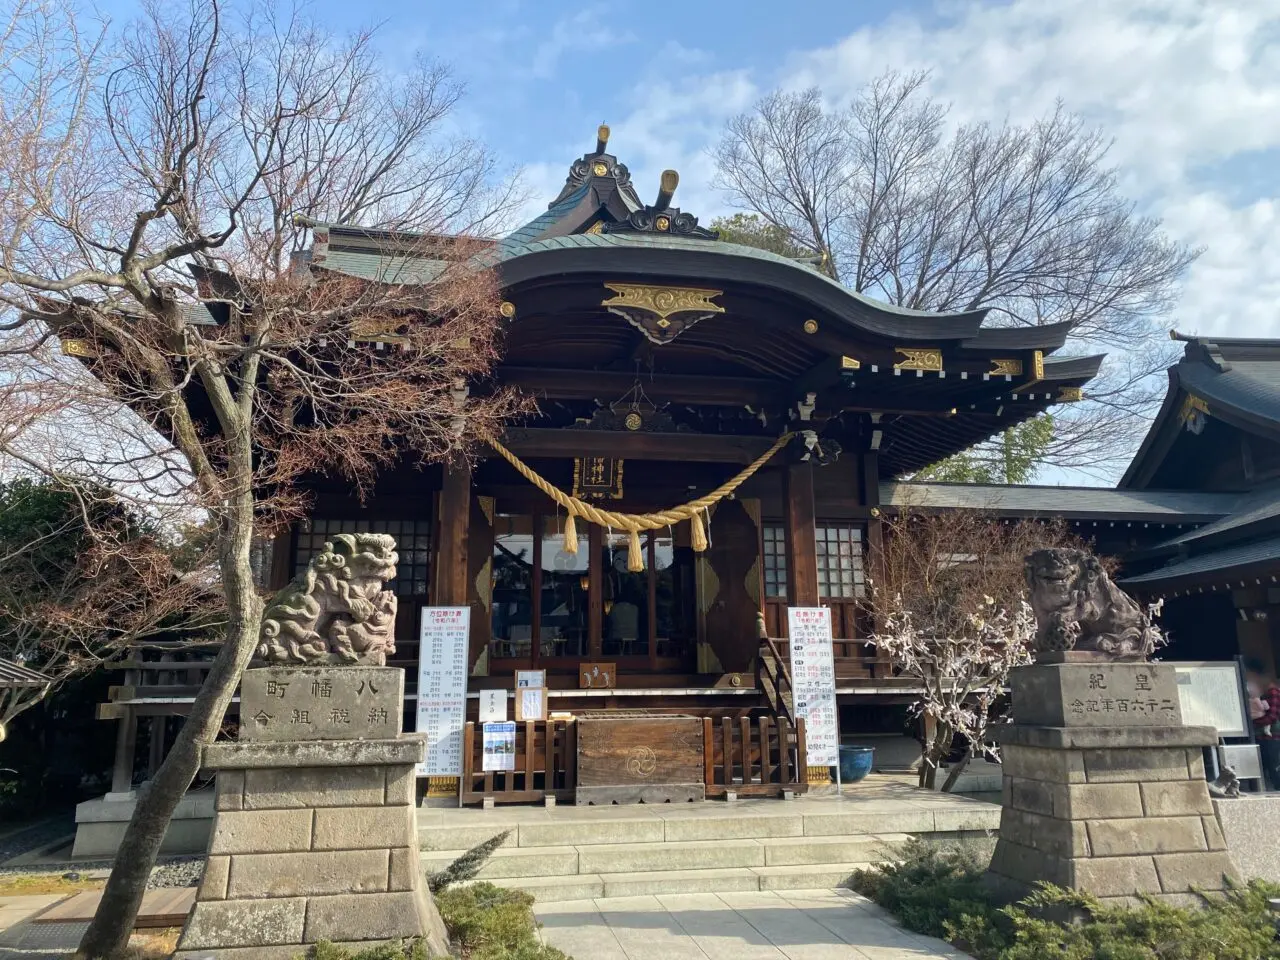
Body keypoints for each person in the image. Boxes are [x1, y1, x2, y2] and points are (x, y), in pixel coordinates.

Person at [1244, 659, 1280, 791]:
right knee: (1263, 769)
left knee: (1274, 768)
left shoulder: (1273, 693)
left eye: (1250, 676)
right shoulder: (1261, 694)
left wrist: (1252, 723)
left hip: (1272, 739)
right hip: (1263, 738)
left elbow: (1272, 716)